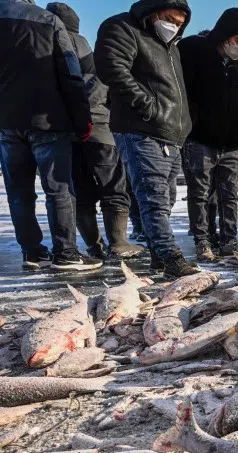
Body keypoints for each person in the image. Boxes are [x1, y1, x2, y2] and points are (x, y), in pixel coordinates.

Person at [96, 0, 199, 278]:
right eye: (169, 19)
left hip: (171, 134)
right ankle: (171, 257)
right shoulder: (122, 28)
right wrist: (147, 107)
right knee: (153, 197)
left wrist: (184, 124)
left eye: (179, 23)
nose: (174, 27)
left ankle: (159, 258)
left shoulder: (171, 48)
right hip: (142, 129)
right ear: (153, 12)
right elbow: (112, 68)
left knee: (166, 199)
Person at [0, 0, 100, 272]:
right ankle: (65, 253)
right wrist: (82, 119)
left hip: (6, 123)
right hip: (49, 120)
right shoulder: (47, 20)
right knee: (59, 189)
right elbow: (70, 73)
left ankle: (31, 252)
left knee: (18, 193)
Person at [46, 3, 145, 262]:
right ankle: (119, 242)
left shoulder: (43, 51)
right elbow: (102, 90)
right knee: (113, 187)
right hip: (100, 130)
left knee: (81, 193)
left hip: (65, 136)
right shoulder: (89, 52)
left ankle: (94, 246)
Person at [179, 8, 238, 260]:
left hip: (231, 143)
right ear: (224, 36)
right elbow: (184, 94)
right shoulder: (197, 55)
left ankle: (229, 240)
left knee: (229, 194)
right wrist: (189, 126)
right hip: (200, 139)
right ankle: (202, 240)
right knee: (200, 193)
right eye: (237, 41)